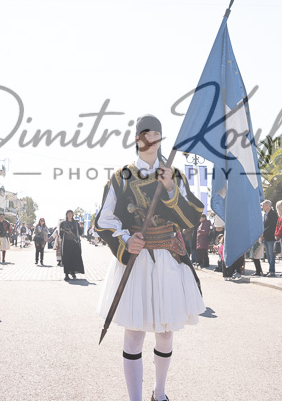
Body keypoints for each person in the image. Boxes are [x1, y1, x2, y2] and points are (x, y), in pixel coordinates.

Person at [95, 114, 205, 401]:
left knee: (166, 332)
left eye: (156, 134)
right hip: (137, 260)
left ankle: (160, 392)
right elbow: (103, 219)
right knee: (134, 334)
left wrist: (170, 189)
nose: (151, 139)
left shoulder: (174, 175)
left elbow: (191, 218)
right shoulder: (121, 177)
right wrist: (125, 239)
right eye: (146, 134)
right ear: (137, 139)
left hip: (169, 259)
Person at [60, 210, 85, 281]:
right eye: (68, 213)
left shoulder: (76, 223)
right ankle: (66, 274)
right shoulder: (63, 223)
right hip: (66, 243)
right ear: (66, 215)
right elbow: (61, 234)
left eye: (71, 213)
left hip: (74, 243)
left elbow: (80, 233)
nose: (70, 215)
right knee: (67, 258)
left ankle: (73, 272)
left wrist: (82, 227)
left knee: (74, 257)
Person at [261, 200, 278, 277]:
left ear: (268, 206)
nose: (262, 207)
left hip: (271, 237)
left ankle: (272, 271)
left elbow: (272, 226)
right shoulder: (265, 214)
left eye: (263, 205)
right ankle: (270, 269)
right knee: (268, 255)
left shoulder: (273, 214)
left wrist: (263, 232)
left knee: (271, 255)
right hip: (266, 237)